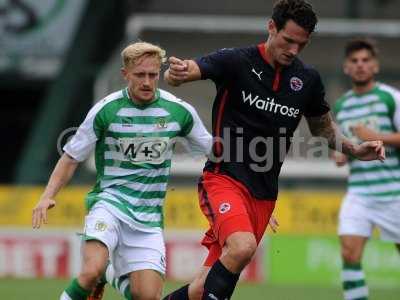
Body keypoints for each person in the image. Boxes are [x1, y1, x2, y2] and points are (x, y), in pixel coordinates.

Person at [162, 1, 386, 300]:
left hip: (264, 196)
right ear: (271, 27)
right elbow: (190, 69)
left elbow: (322, 129)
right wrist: (176, 73)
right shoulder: (236, 61)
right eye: (288, 40)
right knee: (242, 247)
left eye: (301, 44)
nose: (293, 50)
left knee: (203, 287)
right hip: (223, 179)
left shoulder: (307, 80)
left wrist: (355, 149)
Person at [31, 41, 212, 300]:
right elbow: (71, 157)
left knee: (147, 297)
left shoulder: (179, 111)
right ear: (125, 74)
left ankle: (112, 275)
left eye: (153, 74)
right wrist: (48, 194)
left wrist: (245, 191)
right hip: (110, 204)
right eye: (140, 75)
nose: (148, 82)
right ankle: (100, 273)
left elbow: (214, 153)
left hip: (148, 218)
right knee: (90, 271)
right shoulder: (106, 110)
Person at [332, 38, 400, 300]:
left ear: (375, 66)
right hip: (359, 193)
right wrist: (341, 154)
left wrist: (375, 135)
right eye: (354, 61)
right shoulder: (342, 106)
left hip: (393, 192)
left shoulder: (390, 98)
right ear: (346, 67)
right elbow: (343, 146)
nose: (360, 65)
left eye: (365, 60)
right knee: (349, 253)